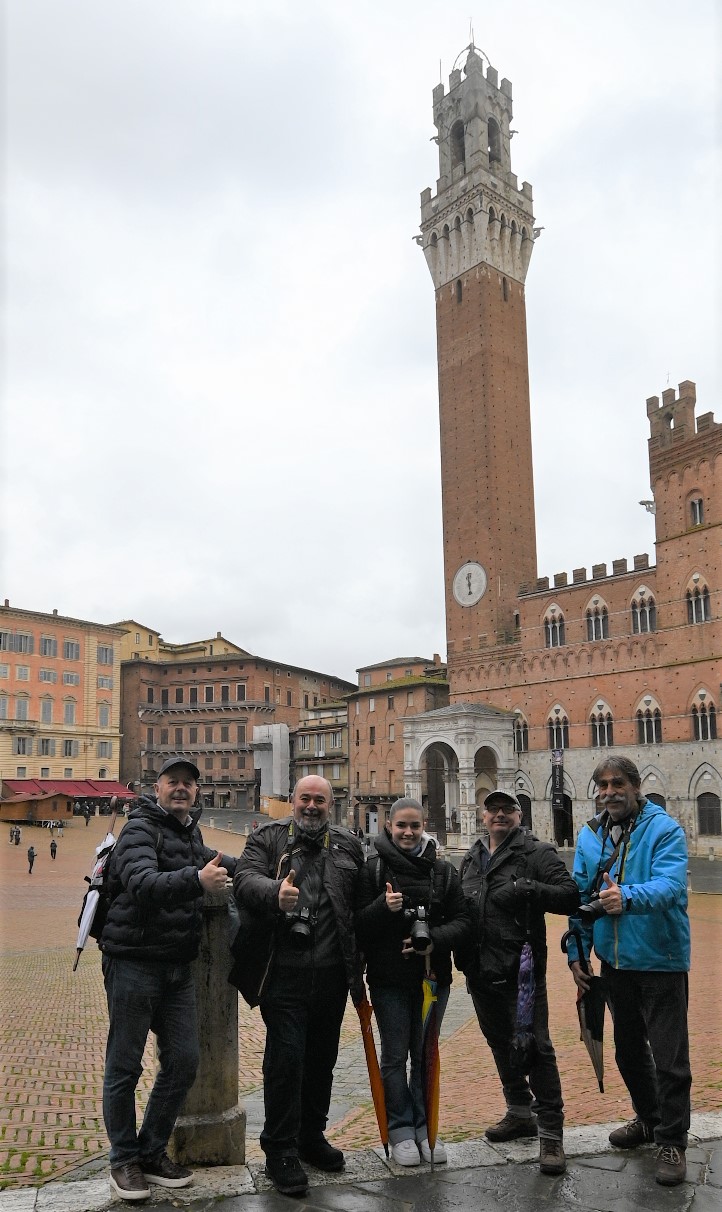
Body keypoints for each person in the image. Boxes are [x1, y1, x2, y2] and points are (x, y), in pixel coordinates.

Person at [99, 756, 235, 1203]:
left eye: (188, 783)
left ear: (196, 792)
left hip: (177, 967)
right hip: (133, 962)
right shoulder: (139, 829)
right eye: (172, 781)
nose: (181, 788)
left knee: (184, 1061)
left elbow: (220, 862)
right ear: (156, 788)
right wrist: (197, 880)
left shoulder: (188, 832)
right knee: (124, 1065)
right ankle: (124, 1160)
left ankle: (152, 1151)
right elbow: (141, 882)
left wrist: (264, 867)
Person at [232, 775, 364, 1197]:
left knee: (322, 1060)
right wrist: (275, 892)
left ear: (331, 805)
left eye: (319, 800)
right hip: (283, 973)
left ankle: (311, 1136)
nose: (312, 806)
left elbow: (361, 903)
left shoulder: (348, 845)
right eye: (305, 798)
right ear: (292, 801)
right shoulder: (268, 838)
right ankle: (280, 1148)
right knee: (286, 1061)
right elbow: (244, 878)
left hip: (332, 974)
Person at [566, 756, 691, 1187]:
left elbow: (671, 886)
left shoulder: (664, 830)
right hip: (614, 963)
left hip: (659, 960)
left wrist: (628, 897)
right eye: (602, 785)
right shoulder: (590, 835)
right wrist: (577, 953)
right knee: (629, 1052)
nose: (609, 792)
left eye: (617, 783)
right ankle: (650, 1119)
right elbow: (581, 896)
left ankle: (672, 1141)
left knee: (670, 1059)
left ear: (636, 786)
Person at [457, 790, 579, 1176]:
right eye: (492, 809)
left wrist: (530, 889)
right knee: (499, 1044)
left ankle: (551, 1135)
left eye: (507, 808)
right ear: (482, 815)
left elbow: (570, 896)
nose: (499, 814)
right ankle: (519, 1112)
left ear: (519, 814)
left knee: (537, 1049)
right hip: (480, 970)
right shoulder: (471, 858)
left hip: (521, 974)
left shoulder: (536, 853)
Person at [355, 797, 470, 1166]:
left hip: (432, 979)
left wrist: (433, 938)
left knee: (425, 1055)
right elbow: (356, 925)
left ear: (424, 827)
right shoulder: (373, 869)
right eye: (401, 825)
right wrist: (382, 908)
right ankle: (401, 1128)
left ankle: (425, 1126)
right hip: (388, 981)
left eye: (414, 826)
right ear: (389, 826)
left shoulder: (444, 872)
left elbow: (464, 921)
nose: (408, 832)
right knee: (394, 1056)